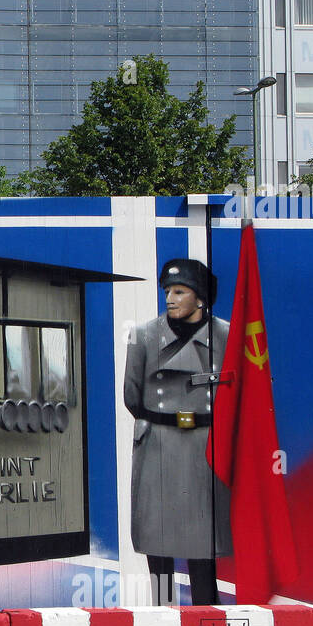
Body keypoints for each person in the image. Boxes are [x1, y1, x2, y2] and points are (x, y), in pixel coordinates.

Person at [123, 258, 231, 606]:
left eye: (179, 291)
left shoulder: (225, 335)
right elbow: (132, 395)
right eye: (167, 291)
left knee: (202, 545)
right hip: (159, 445)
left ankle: (207, 620)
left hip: (203, 447)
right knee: (159, 541)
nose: (170, 298)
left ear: (200, 298)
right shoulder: (143, 335)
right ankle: (164, 620)